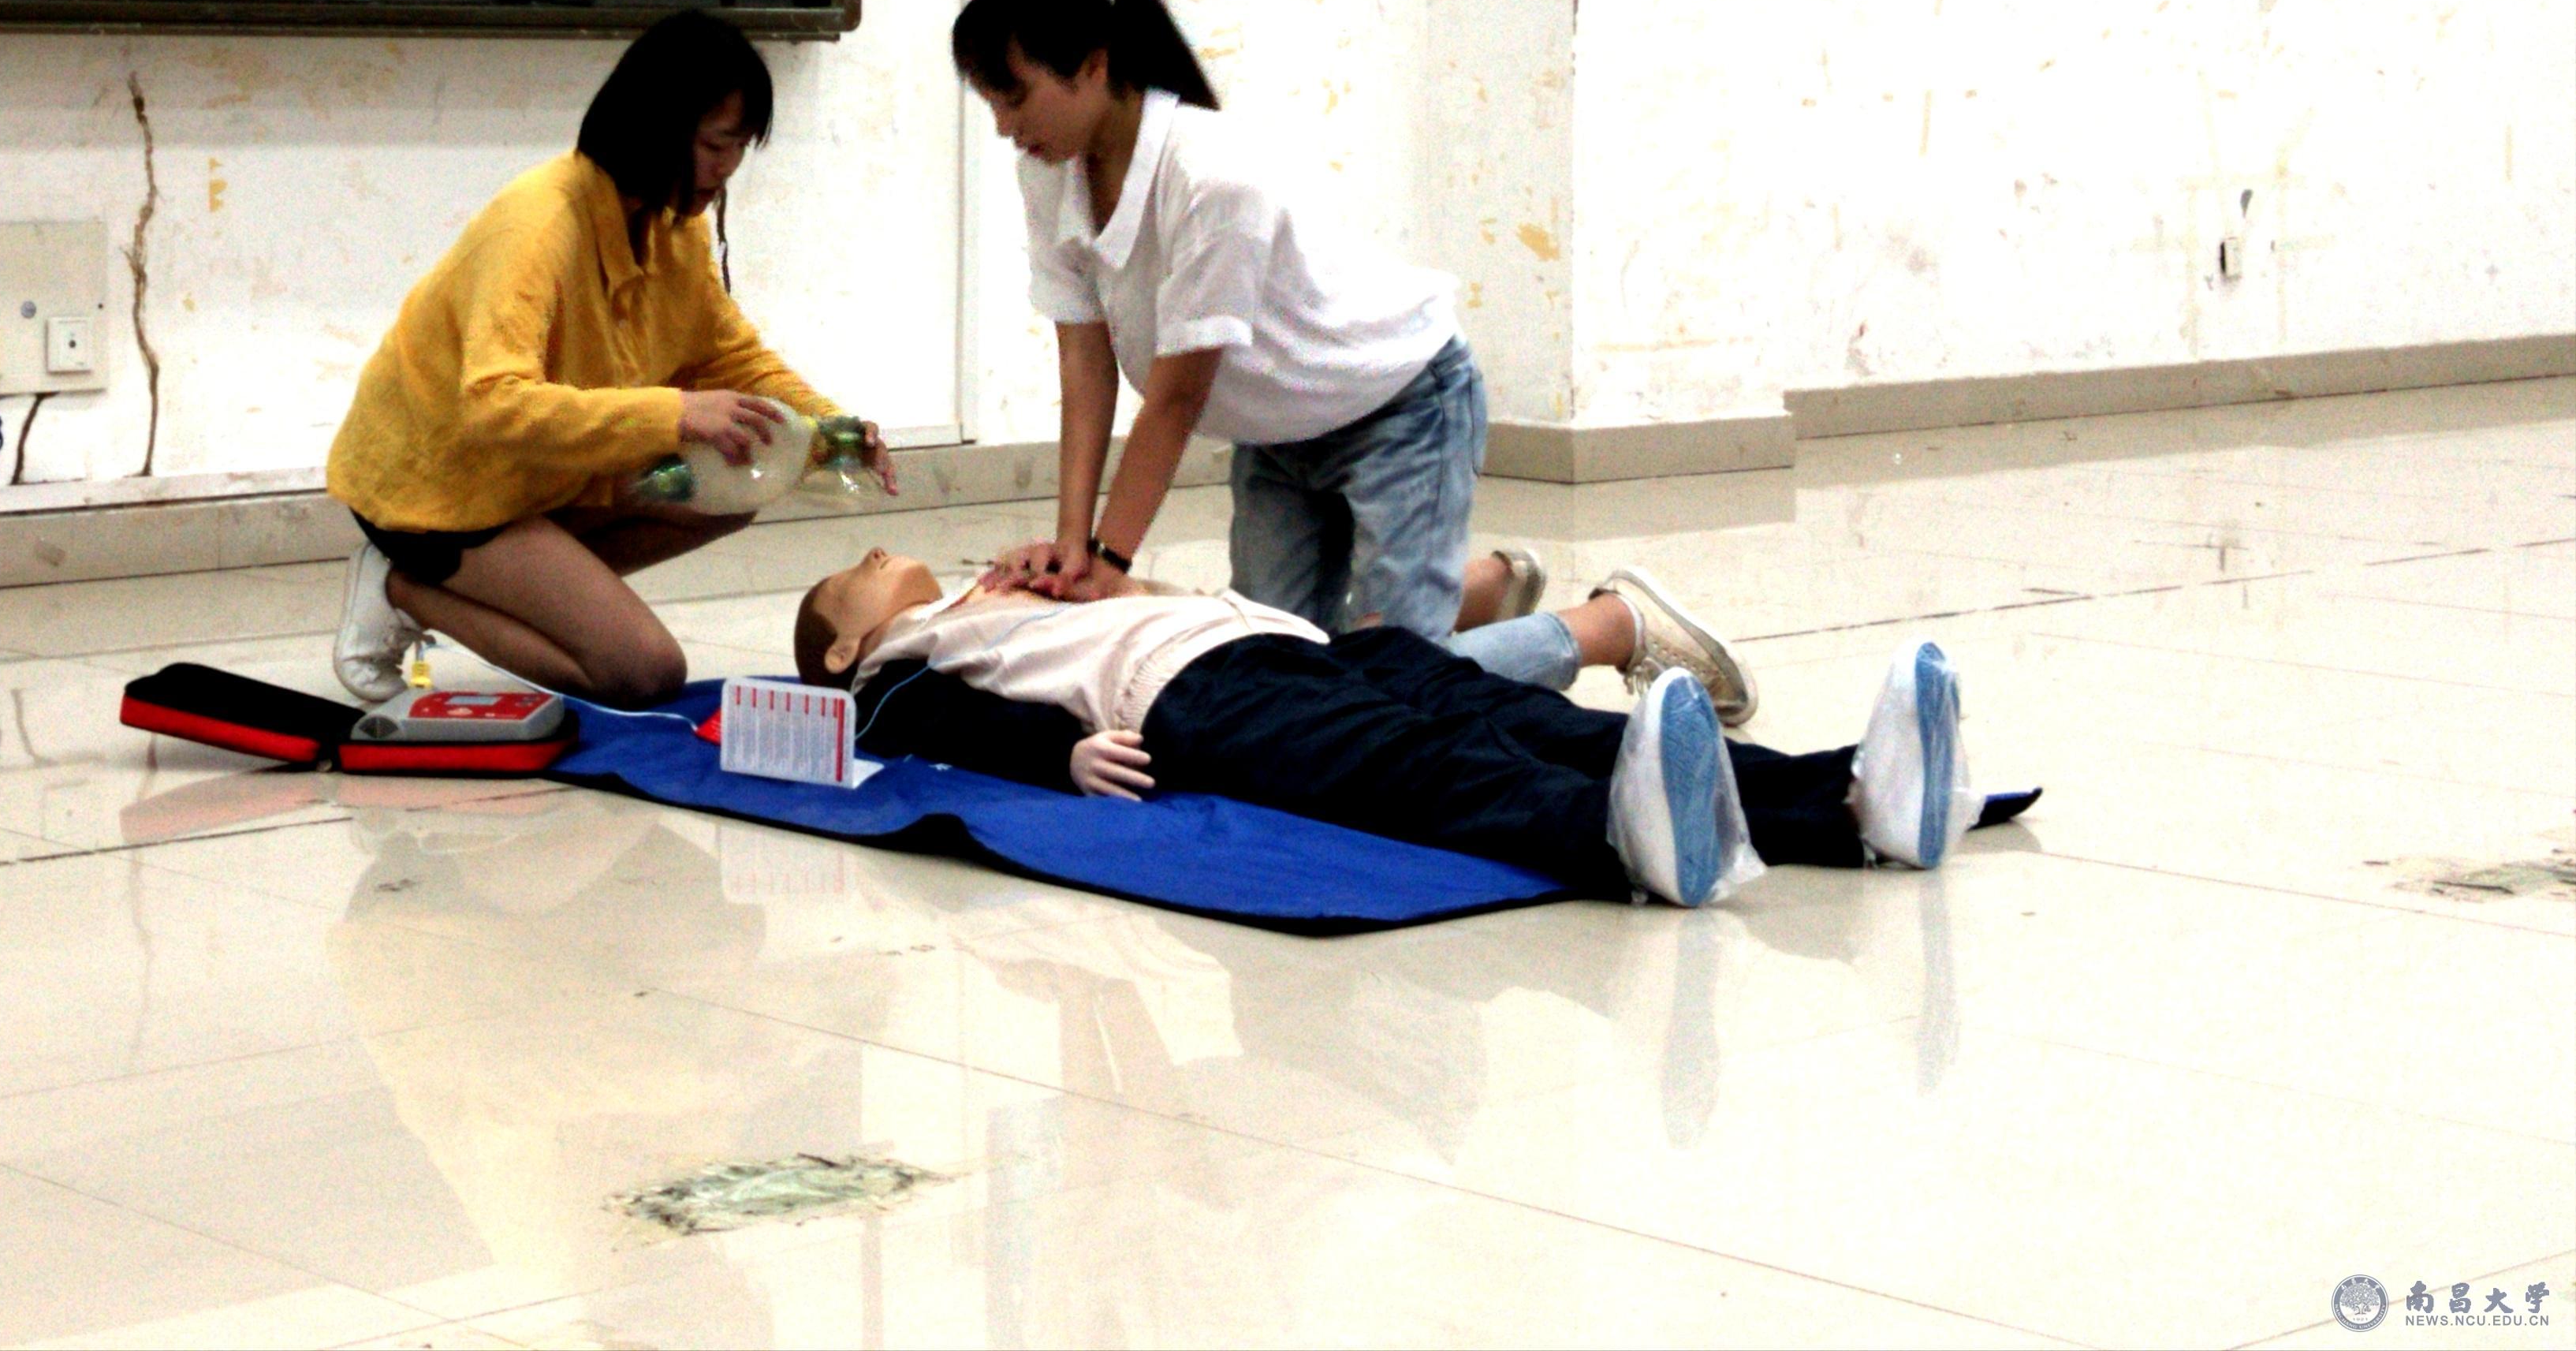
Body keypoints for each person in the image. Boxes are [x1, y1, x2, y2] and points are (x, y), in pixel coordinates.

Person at [952, 0, 1720, 708]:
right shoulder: (1050, 169)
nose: (1004, 127)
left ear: (1092, 66)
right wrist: (1072, 544)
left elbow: (1176, 399)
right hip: (1278, 435)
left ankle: (1614, 624)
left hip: (1401, 405)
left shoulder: (1211, 175)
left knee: (1390, 694)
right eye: (991, 104)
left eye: (1014, 99)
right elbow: (1084, 363)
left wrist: (1110, 558)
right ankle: (1476, 589)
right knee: (1269, 669)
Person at [790, 548, 1993, 905]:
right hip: (1193, 700)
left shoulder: (995, 594)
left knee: (1534, 722)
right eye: (853, 575)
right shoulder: (897, 661)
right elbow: (920, 726)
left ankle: (1852, 793)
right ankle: (1625, 838)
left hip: (1292, 647)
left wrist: (1099, 581)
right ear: (846, 647)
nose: (877, 556)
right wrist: (1053, 756)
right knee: (1434, 771)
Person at [324, 11, 891, 706]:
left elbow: (729, 354)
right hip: (445, 494)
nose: (728, 168)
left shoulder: (671, 220)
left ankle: (523, 590)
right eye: (715, 144)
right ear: (655, 125)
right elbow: (492, 405)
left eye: (741, 147)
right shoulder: (537, 225)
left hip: (539, 479)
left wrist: (832, 429)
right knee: (643, 672)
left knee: (736, 484)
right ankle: (403, 587)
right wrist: (675, 414)